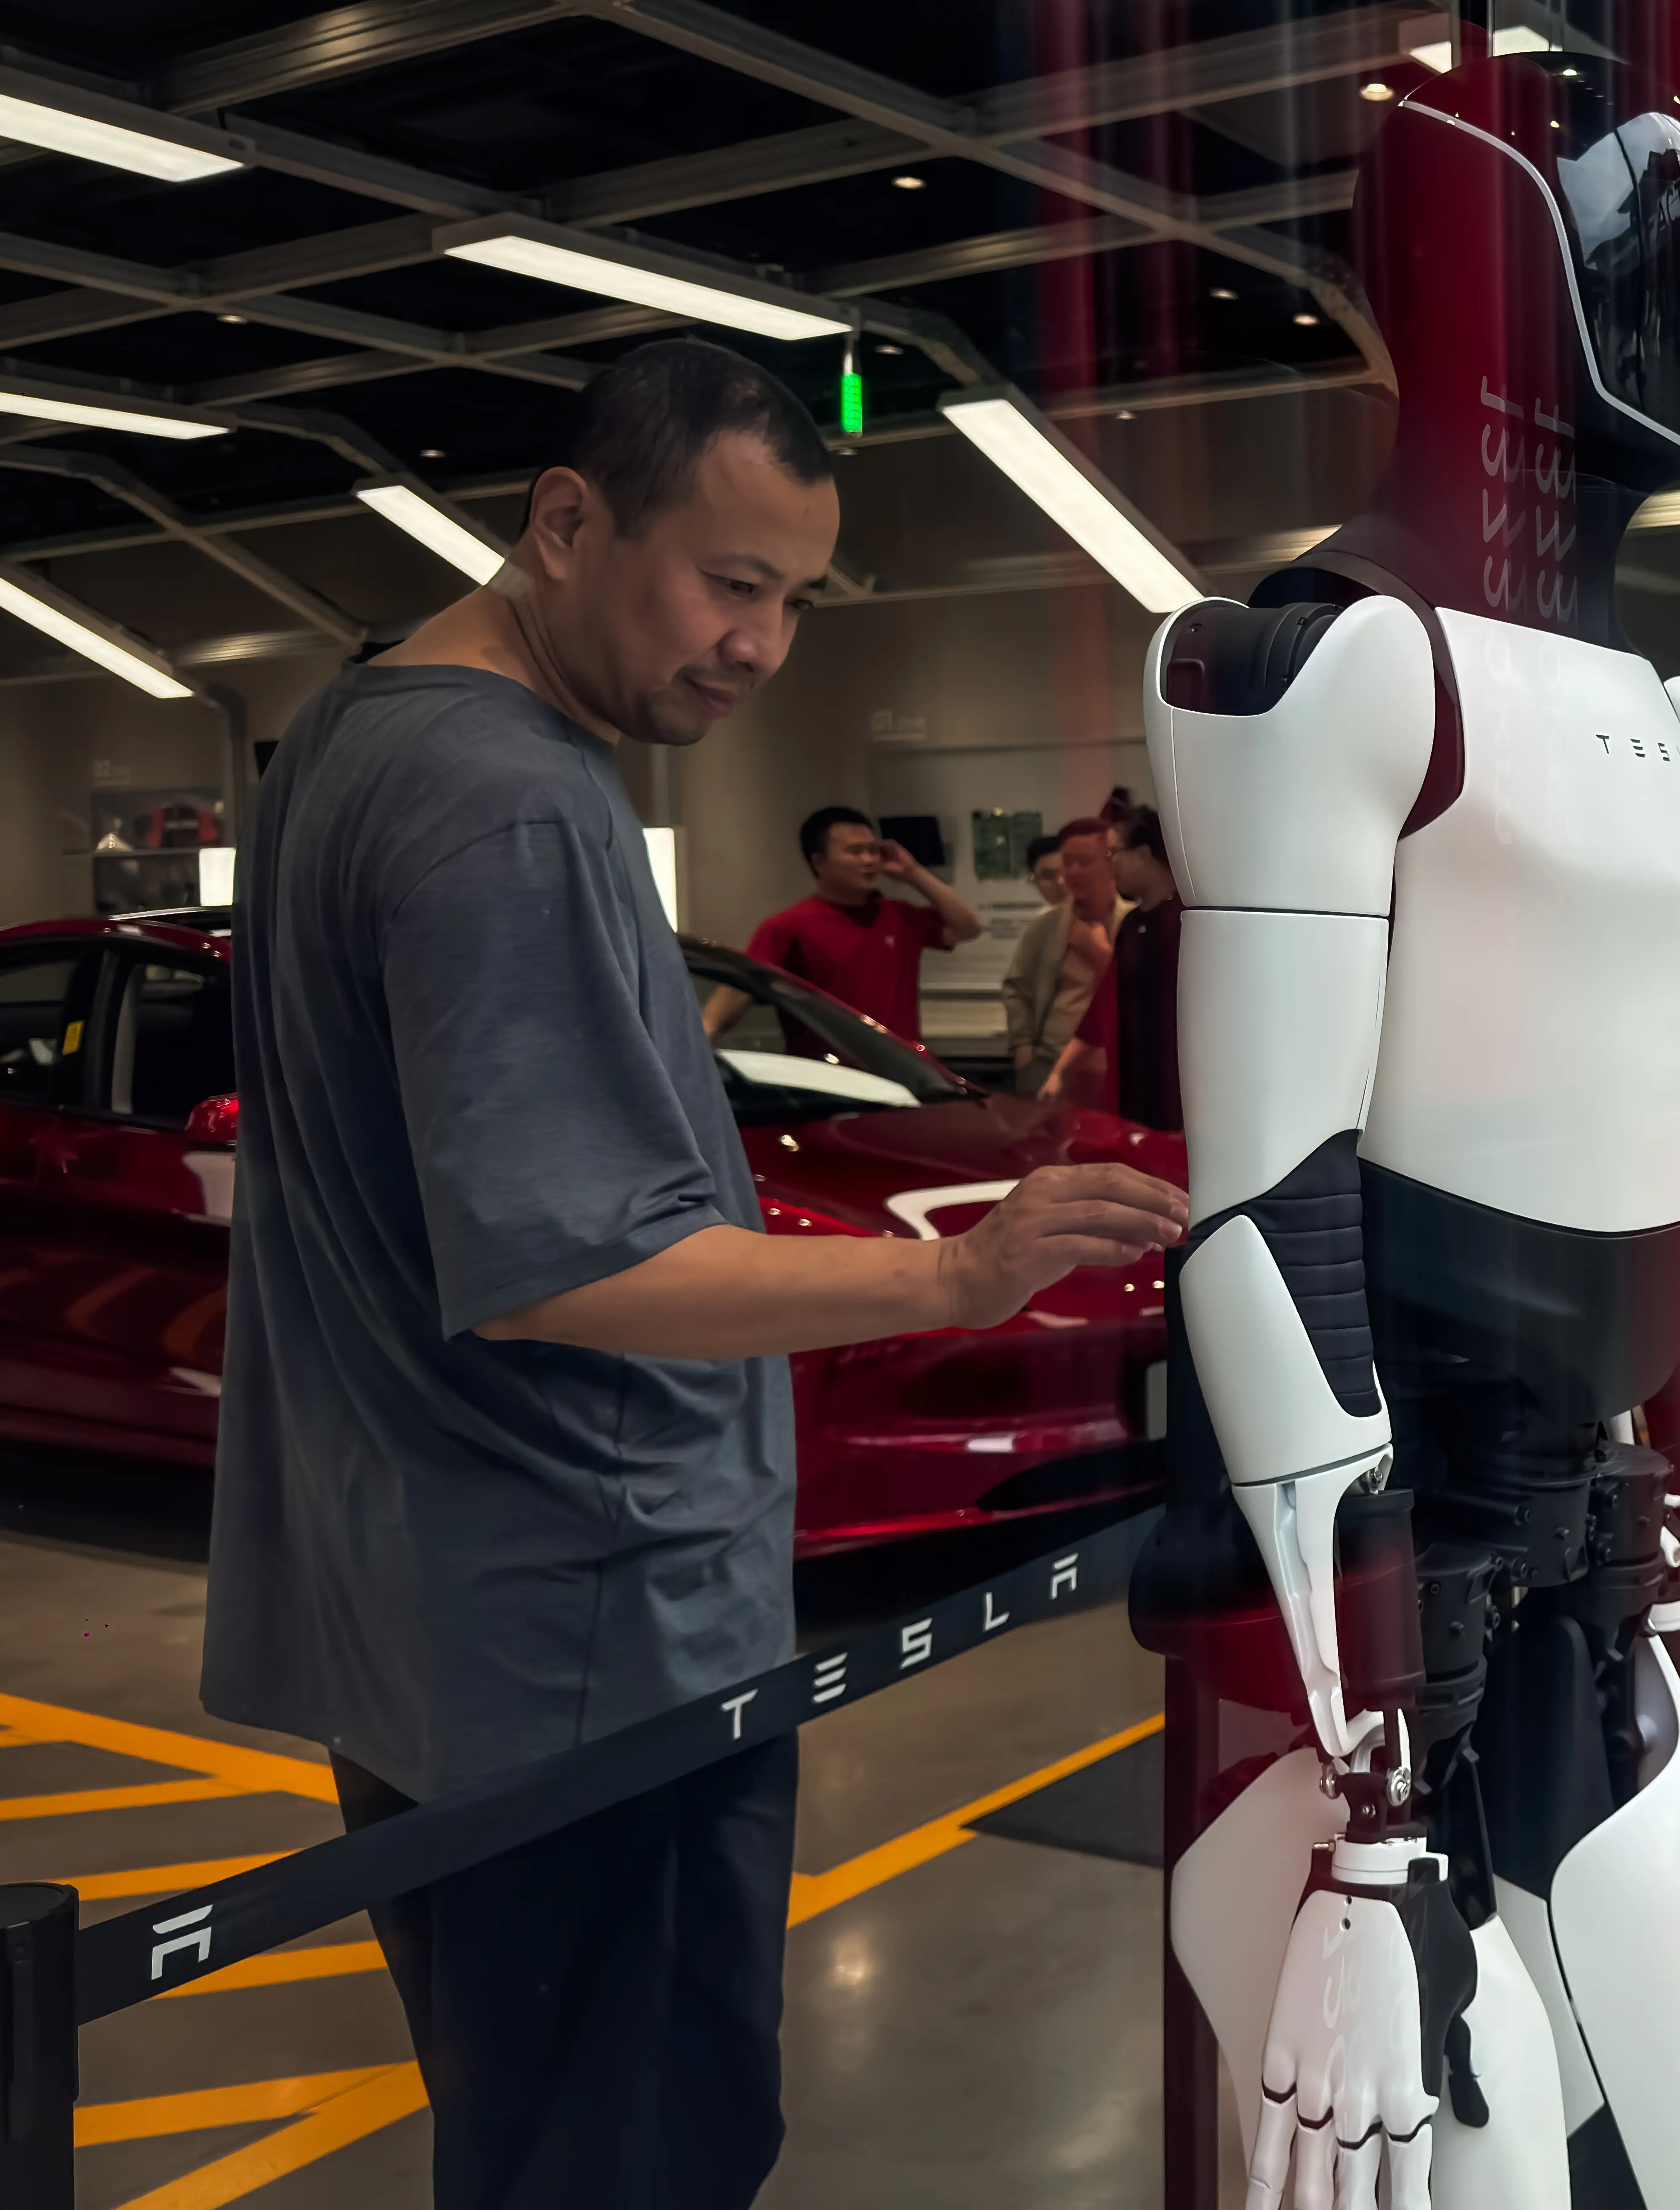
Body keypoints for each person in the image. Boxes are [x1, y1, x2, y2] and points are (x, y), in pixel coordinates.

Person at [206, 336, 1190, 2210]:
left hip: (438, 1629)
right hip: (593, 1643)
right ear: (566, 524)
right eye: (730, 582)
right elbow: (571, 1262)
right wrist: (952, 1281)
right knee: (638, 2148)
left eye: (798, 599)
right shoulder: (513, 798)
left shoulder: (347, 735)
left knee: (536, 2129)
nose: (761, 642)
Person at [712, 805, 981, 1040]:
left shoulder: (898, 916)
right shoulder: (789, 926)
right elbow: (741, 986)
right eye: (854, 852)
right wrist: (707, 1030)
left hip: (905, 1074)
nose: (868, 860)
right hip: (830, 1080)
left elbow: (968, 927)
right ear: (819, 862)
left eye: (873, 851)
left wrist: (913, 873)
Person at [1045, 806, 1181, 1129]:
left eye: (1113, 853)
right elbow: (1105, 1004)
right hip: (1133, 1085)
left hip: (1174, 1089)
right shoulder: (1133, 925)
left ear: (1144, 855)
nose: (1109, 864)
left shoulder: (1183, 923)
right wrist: (1060, 1070)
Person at [998, 820, 1112, 1088]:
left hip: (1106, 1060)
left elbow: (1140, 989)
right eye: (1068, 864)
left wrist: (1098, 953)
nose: (1070, 875)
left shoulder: (1129, 921)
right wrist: (1023, 1048)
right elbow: (1016, 987)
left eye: (1084, 862)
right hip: (1046, 1058)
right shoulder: (1046, 925)